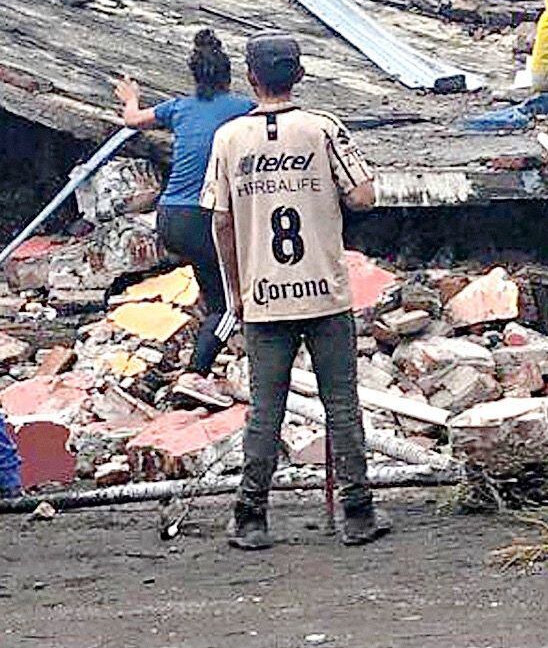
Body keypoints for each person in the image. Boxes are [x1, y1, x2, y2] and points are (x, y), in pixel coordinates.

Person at [201, 33, 388, 550]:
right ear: (299, 76)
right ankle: (357, 514)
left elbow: (221, 222)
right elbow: (364, 197)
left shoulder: (229, 138)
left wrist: (234, 290)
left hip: (263, 296)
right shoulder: (323, 129)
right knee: (342, 405)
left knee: (265, 409)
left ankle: (251, 516)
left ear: (251, 78)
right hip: (325, 292)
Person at [115, 29, 254, 408]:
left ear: (195, 77)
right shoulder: (243, 109)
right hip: (204, 216)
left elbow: (131, 119)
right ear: (230, 77)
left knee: (213, 288)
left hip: (169, 215)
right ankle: (196, 375)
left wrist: (131, 97)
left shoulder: (177, 108)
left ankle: (202, 365)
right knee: (229, 305)